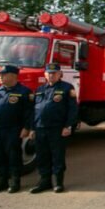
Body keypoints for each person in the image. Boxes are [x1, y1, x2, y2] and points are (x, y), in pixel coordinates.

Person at [0, 65, 33, 194]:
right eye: (0, 75)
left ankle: (15, 182)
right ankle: (1, 182)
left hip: (13, 130)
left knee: (13, 157)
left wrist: (27, 128)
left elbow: (29, 112)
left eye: (3, 75)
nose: (0, 77)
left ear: (13, 76)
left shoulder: (24, 92)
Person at [29, 63, 78, 193]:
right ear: (45, 75)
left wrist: (68, 126)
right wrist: (32, 128)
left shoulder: (67, 88)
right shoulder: (39, 90)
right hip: (40, 128)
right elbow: (34, 110)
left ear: (60, 74)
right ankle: (45, 182)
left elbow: (72, 109)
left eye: (54, 73)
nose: (51, 75)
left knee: (57, 156)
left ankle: (58, 182)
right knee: (42, 156)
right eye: (49, 73)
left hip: (57, 129)